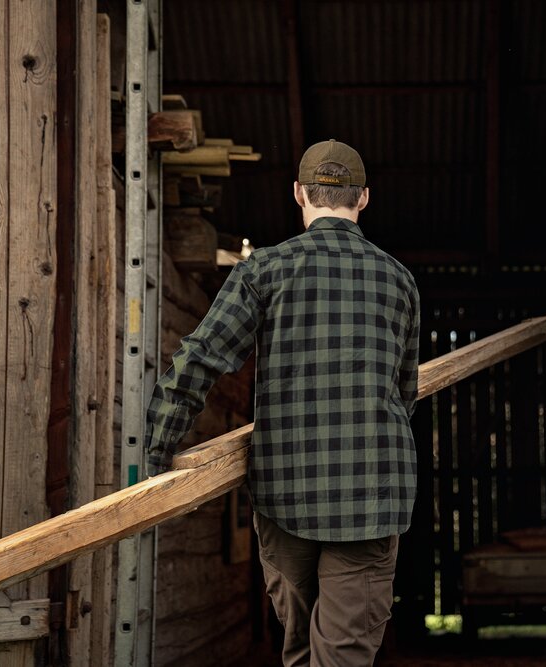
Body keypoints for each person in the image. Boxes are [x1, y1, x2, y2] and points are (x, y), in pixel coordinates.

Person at [146, 139, 421, 666]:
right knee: (340, 656)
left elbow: (199, 359)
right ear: (363, 198)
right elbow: (403, 393)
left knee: (299, 651)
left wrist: (158, 453)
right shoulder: (400, 281)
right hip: (372, 494)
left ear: (298, 193)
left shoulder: (264, 270)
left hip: (285, 494)